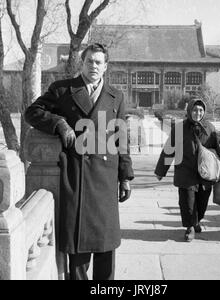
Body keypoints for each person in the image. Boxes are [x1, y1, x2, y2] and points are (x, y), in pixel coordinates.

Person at [24, 43, 134, 280]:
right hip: (75, 176)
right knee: (79, 247)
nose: (93, 66)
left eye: (98, 62)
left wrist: (125, 177)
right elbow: (32, 112)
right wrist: (58, 123)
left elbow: (122, 140)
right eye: (89, 61)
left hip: (105, 178)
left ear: (105, 67)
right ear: (82, 63)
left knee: (105, 246)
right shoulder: (62, 90)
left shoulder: (116, 97)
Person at [154, 98, 220, 242]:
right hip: (185, 171)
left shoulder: (210, 128)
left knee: (202, 203)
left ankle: (197, 220)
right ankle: (190, 228)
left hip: (205, 173)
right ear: (189, 111)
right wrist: (160, 171)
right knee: (187, 202)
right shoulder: (179, 128)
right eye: (195, 110)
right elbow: (169, 151)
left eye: (200, 110)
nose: (198, 113)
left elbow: (216, 152)